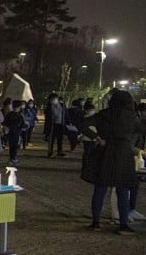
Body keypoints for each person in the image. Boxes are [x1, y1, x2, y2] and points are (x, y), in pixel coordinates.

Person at [79, 90, 143, 234]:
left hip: (105, 151)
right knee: (122, 190)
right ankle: (123, 225)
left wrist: (97, 137)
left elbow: (83, 124)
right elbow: (142, 129)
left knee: (100, 189)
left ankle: (96, 222)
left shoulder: (104, 114)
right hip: (123, 154)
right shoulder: (131, 117)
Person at [1, 99, 25, 166]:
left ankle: (12, 158)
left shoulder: (10, 114)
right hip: (16, 133)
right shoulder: (19, 115)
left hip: (10, 132)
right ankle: (13, 159)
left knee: (12, 146)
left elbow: (5, 122)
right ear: (19, 107)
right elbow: (22, 125)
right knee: (14, 146)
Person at [44, 93, 67, 157]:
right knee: (51, 139)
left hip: (60, 125)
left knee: (60, 139)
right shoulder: (49, 107)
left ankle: (60, 151)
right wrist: (46, 129)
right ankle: (50, 151)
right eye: (52, 99)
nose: (53, 100)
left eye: (54, 99)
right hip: (53, 125)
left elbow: (66, 114)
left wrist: (68, 122)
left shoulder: (62, 106)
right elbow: (47, 119)